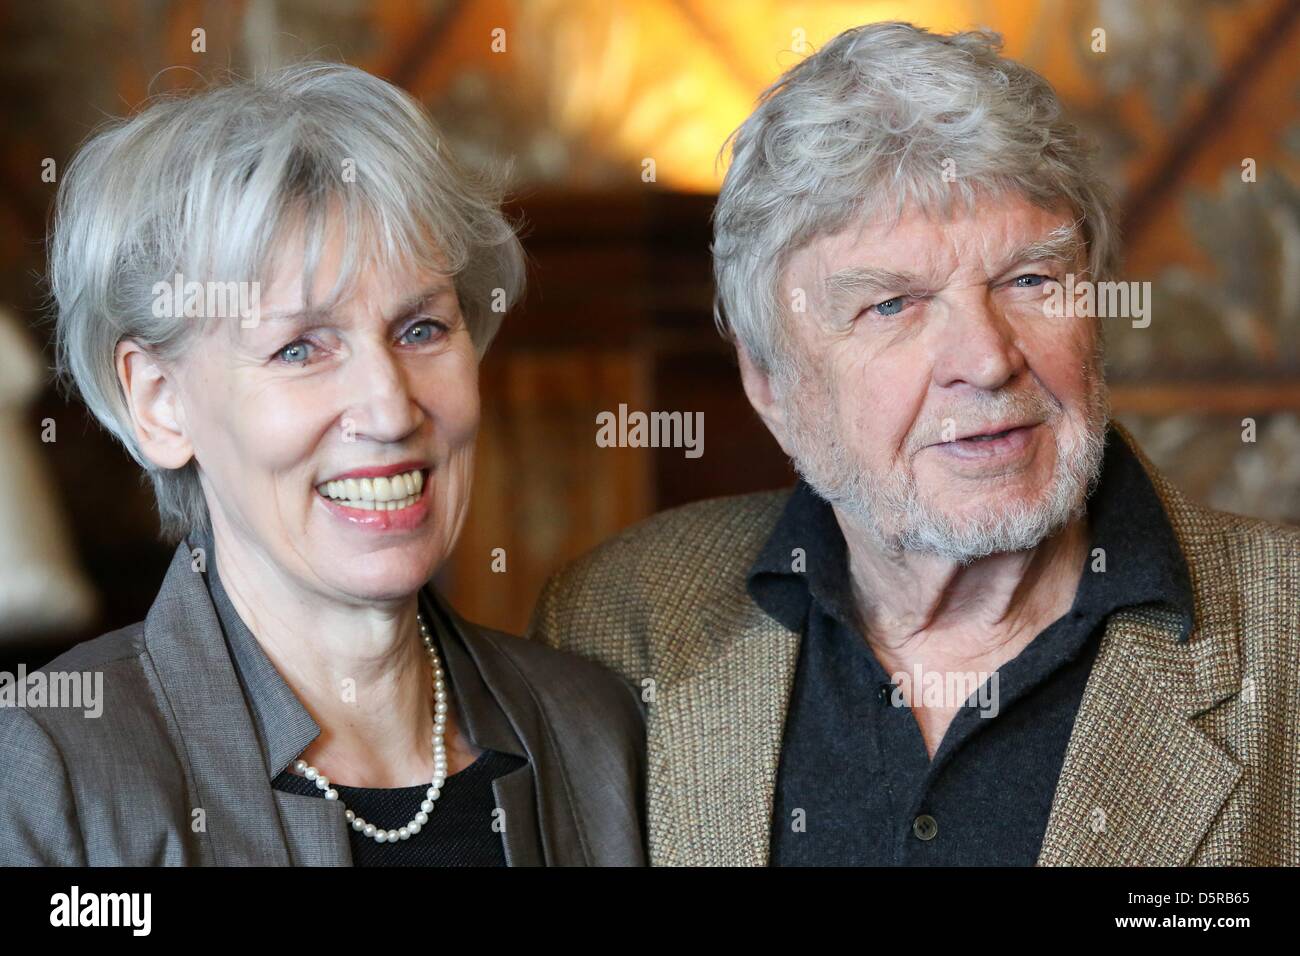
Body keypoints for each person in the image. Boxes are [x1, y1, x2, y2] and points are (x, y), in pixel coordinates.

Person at [529, 22, 1299, 866]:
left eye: (1031, 280)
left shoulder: (1282, 635)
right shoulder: (617, 625)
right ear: (771, 384)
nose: (988, 359)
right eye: (892, 305)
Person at [0, 62, 644, 867]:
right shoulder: (48, 772)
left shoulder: (594, 728)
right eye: (300, 347)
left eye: (420, 330)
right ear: (160, 402)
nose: (389, 409)